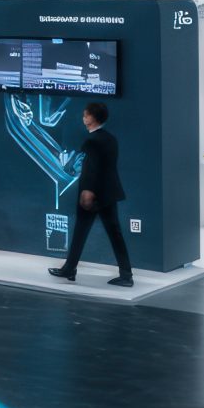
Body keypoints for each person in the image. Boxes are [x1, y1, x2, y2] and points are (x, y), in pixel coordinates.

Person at [49, 101, 133, 288]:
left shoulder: (92, 141)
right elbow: (106, 169)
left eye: (86, 115)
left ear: (93, 118)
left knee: (81, 232)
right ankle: (126, 274)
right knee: (114, 234)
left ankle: (70, 268)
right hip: (109, 194)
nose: (83, 118)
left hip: (94, 196)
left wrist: (88, 191)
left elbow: (91, 170)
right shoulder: (110, 139)